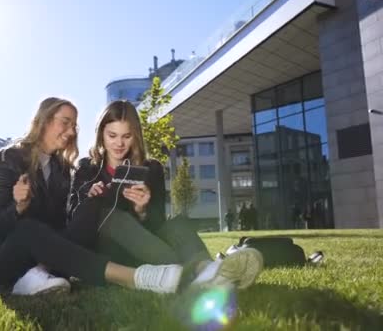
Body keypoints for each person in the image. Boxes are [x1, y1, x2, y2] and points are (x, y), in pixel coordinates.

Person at [0, 97, 184, 296]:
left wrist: (89, 203)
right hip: (10, 256)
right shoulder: (7, 159)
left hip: (49, 255)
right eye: (65, 123)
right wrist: (18, 206)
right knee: (28, 229)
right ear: (44, 120)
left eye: (74, 126)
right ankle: (135, 277)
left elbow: (64, 225)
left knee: (89, 207)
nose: (71, 132)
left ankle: (37, 276)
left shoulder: (62, 169)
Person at [68, 100, 263, 290]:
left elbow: (158, 224)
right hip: (109, 251)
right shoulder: (86, 168)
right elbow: (73, 218)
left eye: (126, 136)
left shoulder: (151, 169)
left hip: (146, 246)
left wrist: (142, 209)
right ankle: (197, 272)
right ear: (101, 134)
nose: (119, 143)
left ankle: (207, 270)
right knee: (113, 217)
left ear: (135, 135)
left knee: (177, 223)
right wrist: (89, 197)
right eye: (112, 135)